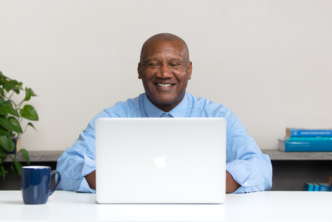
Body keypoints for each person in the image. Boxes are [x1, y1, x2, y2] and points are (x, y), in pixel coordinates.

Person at [56, 33, 272, 194]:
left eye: (174, 64)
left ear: (189, 70)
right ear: (140, 71)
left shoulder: (217, 116)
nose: (164, 73)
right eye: (153, 64)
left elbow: (261, 168)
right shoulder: (113, 117)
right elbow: (67, 167)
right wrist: (125, 183)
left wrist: (204, 183)